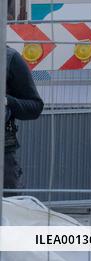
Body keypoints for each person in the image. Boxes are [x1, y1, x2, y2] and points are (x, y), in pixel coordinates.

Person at [5, 46, 43, 193]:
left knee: (9, 205)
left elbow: (35, 107)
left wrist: (6, 101)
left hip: (3, 156)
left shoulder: (9, 58)